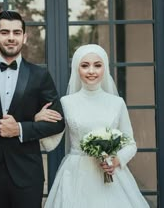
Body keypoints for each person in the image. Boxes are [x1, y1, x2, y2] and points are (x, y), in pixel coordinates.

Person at [0, 10, 65, 208]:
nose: (11, 38)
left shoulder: (39, 76)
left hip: (27, 174)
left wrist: (21, 128)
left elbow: (58, 122)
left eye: (16, 33)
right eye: (5, 32)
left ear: (24, 37)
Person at [36, 44, 149, 208]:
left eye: (97, 65)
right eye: (84, 65)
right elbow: (50, 144)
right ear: (77, 69)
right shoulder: (66, 103)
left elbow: (130, 144)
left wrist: (116, 161)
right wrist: (39, 122)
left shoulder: (117, 103)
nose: (91, 71)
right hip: (75, 176)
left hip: (111, 177)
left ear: (105, 68)